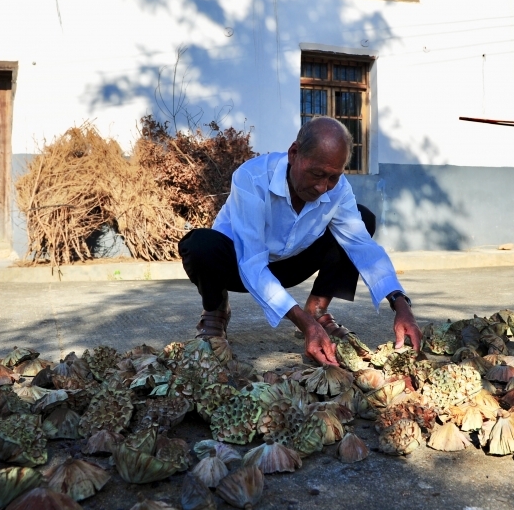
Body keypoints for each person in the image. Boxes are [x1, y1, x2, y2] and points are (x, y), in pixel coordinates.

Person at [178, 117, 422, 366]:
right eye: (316, 174)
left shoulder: (338, 189)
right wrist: (305, 327)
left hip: (292, 263)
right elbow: (251, 262)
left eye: (332, 177)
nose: (322, 187)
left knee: (364, 219)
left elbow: (362, 246)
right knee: (200, 246)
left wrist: (400, 304)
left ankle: (316, 311)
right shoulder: (251, 178)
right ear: (294, 153)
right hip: (238, 266)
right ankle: (216, 309)